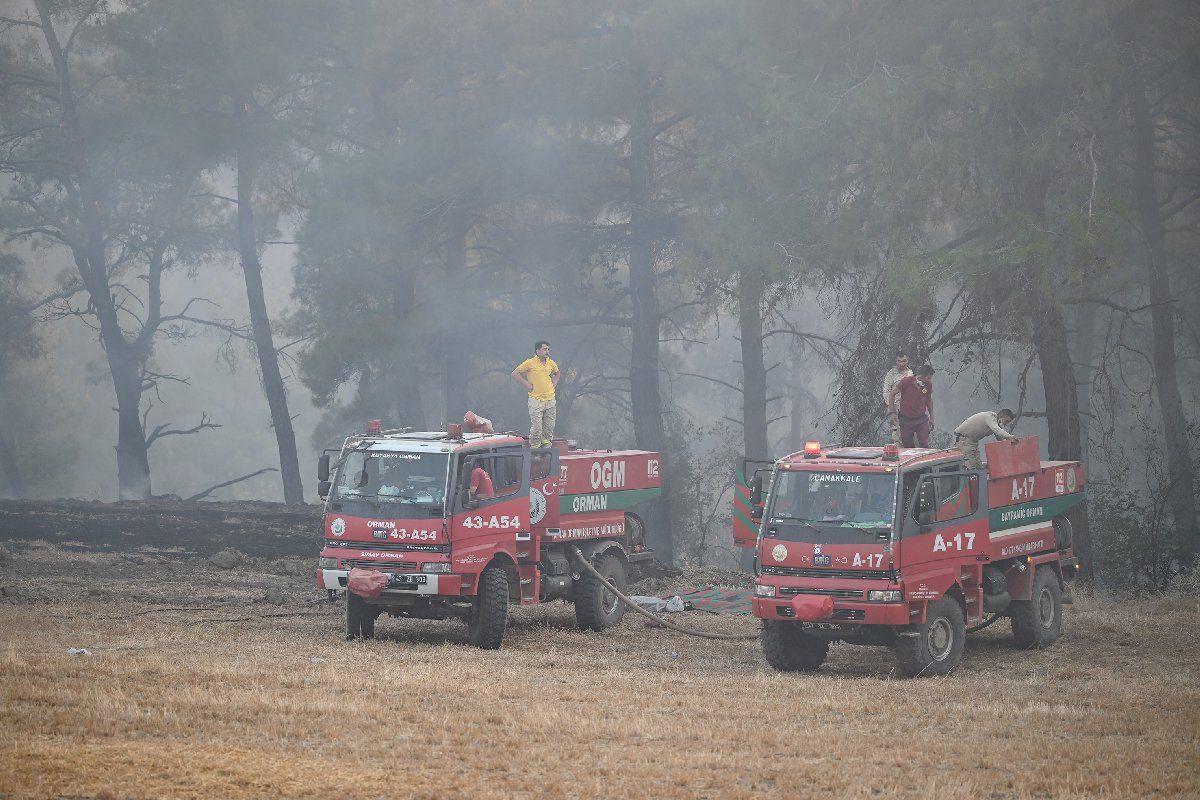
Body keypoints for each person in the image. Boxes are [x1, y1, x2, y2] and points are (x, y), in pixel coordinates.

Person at [512, 340, 559, 448]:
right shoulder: (530, 363)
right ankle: (535, 446)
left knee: (549, 426)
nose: (547, 351)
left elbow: (557, 373)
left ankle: (546, 444)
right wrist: (527, 384)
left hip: (550, 399)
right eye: (544, 349)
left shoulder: (551, 363)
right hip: (536, 399)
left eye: (548, 349)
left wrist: (554, 383)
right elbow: (515, 373)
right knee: (537, 426)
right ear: (537, 350)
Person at [888, 364, 935, 448]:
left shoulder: (928, 385)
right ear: (921, 375)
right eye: (928, 377)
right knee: (908, 446)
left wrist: (931, 417)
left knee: (924, 443)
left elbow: (929, 400)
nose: (929, 380)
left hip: (921, 419)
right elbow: (892, 394)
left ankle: (925, 459)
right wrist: (892, 413)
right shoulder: (906, 382)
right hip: (906, 420)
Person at [881, 351, 913, 446]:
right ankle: (899, 455)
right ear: (896, 361)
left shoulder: (910, 373)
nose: (902, 363)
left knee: (909, 435)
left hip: (910, 410)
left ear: (907, 361)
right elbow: (886, 392)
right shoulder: (891, 375)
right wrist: (891, 410)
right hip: (896, 408)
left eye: (904, 361)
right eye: (899, 361)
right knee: (898, 437)